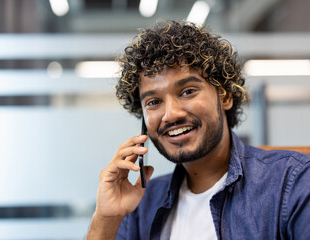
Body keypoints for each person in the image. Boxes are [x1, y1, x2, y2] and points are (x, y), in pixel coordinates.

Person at [85, 21, 310, 239]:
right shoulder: (140, 204)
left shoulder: (292, 183)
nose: (171, 114)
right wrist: (106, 220)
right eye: (153, 102)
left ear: (225, 96)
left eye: (188, 91)